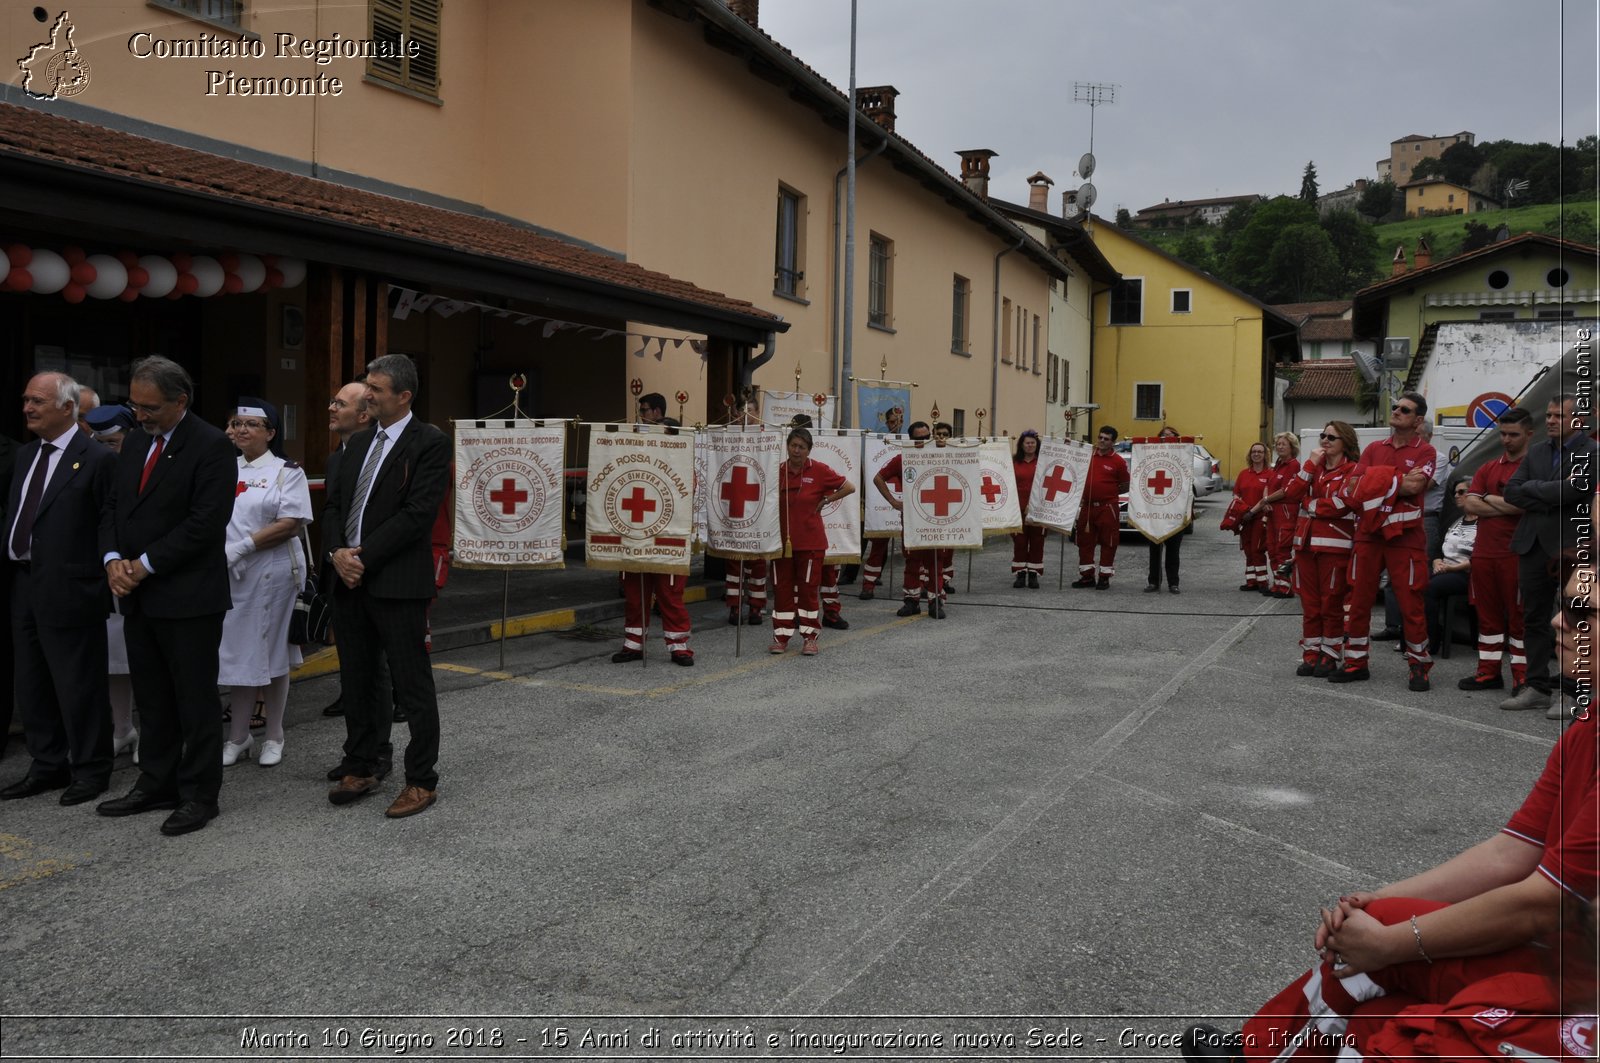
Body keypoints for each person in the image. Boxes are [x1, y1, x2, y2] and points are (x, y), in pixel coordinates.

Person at [1183, 551, 1598, 1063]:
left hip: (1582, 980)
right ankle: (1255, 1053)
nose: (1560, 619)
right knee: (1374, 936)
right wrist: (1373, 904)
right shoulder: (1587, 725)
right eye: (1564, 605)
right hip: (1572, 958)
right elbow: (1513, 851)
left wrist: (1394, 945)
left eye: (1585, 613)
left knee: (1400, 1034)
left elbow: (1544, 902)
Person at [96, 356, 236, 836]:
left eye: (151, 406)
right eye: (135, 405)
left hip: (189, 597)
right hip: (138, 594)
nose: (140, 415)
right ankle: (156, 782)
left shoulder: (213, 445)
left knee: (194, 700)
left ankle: (199, 794)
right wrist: (113, 558)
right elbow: (116, 505)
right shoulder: (135, 440)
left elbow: (205, 522)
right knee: (152, 698)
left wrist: (143, 565)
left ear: (182, 400)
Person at [322, 354, 450, 819]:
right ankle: (363, 762)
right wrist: (338, 552)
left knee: (410, 683)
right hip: (348, 581)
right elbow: (334, 506)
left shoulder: (429, 443)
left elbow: (417, 515)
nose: (366, 394)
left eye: (375, 388)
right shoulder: (356, 445)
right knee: (357, 679)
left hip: (395, 582)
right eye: (366, 387)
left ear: (404, 396)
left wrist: (363, 558)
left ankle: (421, 779)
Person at [1, 372, 117, 806]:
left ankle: (91, 768)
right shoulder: (26, 455)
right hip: (25, 584)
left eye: (38, 401)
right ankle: (48, 764)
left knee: (78, 683)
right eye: (26, 400)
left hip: (72, 587)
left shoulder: (96, 459)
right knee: (31, 682)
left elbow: (108, 524)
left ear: (67, 408)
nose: (28, 408)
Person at [216, 399, 313, 769]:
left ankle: (274, 734)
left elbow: (290, 523)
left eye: (252, 424)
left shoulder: (286, 472)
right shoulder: (224, 469)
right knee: (237, 654)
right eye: (237, 423)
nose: (241, 430)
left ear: (270, 433)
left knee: (271, 655)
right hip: (229, 574)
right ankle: (238, 736)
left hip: (271, 574)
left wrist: (240, 548)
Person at [1331, 392, 1438, 692]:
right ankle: (1355, 662)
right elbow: (1354, 487)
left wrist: (1377, 480)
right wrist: (1395, 479)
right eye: (1395, 407)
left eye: (1405, 409)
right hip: (1369, 534)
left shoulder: (1426, 451)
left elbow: (1417, 484)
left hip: (1406, 538)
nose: (1397, 411)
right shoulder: (1374, 448)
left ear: (1418, 420)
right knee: (1359, 599)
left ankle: (1419, 665)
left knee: (1411, 603)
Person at [1502, 393, 1598, 716]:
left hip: (1571, 546)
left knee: (1575, 621)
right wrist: (1549, 491)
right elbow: (1511, 491)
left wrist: (1535, 489)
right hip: (1533, 545)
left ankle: (1574, 693)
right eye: (1549, 416)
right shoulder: (1537, 451)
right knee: (1534, 618)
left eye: (1558, 416)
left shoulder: (1592, 452)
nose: (1552, 421)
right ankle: (1537, 687)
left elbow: (1578, 489)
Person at [1458, 407, 1534, 693]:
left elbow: (1526, 505)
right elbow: (1469, 503)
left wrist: (1487, 499)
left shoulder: (1533, 466)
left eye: (1513, 434)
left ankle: (1522, 676)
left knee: (1519, 617)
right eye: (1502, 434)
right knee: (1487, 616)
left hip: (1516, 554)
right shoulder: (1488, 467)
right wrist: (1503, 503)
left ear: (1529, 434)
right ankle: (1488, 672)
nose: (1506, 440)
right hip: (1483, 554)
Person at [319, 380, 380, 720]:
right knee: (346, 640)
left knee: (376, 647)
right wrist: (333, 553)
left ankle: (387, 697)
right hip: (338, 563)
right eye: (333, 401)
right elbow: (332, 511)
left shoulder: (376, 457)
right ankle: (350, 692)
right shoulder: (333, 460)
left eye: (339, 403)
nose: (331, 408)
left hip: (367, 564)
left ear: (362, 416)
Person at [83, 403, 140, 760]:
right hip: (106, 572)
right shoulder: (91, 465)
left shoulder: (142, 466)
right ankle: (122, 728)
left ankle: (152, 731)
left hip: (141, 572)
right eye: (101, 442)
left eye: (115, 441)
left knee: (145, 661)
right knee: (115, 661)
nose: (109, 450)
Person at [1283, 421, 1359, 678]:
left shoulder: (1354, 470)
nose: (1325, 441)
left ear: (1345, 442)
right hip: (1305, 545)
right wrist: (1309, 466)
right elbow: (1292, 494)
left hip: (1334, 547)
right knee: (1310, 604)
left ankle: (1330, 654)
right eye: (1323, 436)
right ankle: (1311, 653)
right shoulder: (1312, 468)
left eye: (1332, 437)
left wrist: (1311, 503)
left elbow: (1343, 503)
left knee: (1331, 604)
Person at [769, 427, 853, 655]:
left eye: (801, 447)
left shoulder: (820, 470)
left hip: (811, 543)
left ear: (809, 450)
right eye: (793, 445)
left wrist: (827, 499)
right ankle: (781, 637)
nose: (796, 451)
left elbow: (849, 487)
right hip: (781, 545)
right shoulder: (777, 471)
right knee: (782, 590)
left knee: (807, 591)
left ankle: (809, 638)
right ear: (787, 446)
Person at [873, 421, 952, 617]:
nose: (923, 441)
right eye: (919, 438)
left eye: (927, 438)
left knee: (936, 561)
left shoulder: (941, 457)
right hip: (911, 519)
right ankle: (911, 601)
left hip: (937, 517)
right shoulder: (902, 459)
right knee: (912, 561)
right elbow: (878, 478)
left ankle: (936, 602)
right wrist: (892, 500)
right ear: (911, 440)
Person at [1421, 485, 1476, 655]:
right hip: (1445, 568)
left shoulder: (1484, 523)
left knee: (1430, 588)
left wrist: (1452, 567)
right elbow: (1438, 549)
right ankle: (1411, 640)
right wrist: (1437, 562)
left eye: (1462, 492)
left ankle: (1431, 642)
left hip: (1466, 573)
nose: (1457, 496)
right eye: (1455, 493)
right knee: (1415, 582)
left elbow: (1479, 558)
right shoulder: (1456, 520)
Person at [1072, 425, 1128, 590]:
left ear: (1113, 442)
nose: (1102, 441)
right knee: (1085, 542)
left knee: (1108, 541)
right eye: (1100, 437)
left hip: (1107, 507)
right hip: (1088, 507)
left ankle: (1104, 577)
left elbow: (1125, 485)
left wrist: (1107, 493)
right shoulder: (1088, 456)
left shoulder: (1118, 461)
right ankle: (1087, 576)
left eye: (1106, 439)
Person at [1142, 425, 1191, 594]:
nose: (1166, 438)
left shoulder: (1184, 457)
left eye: (1170, 436)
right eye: (1163, 435)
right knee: (1154, 549)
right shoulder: (1151, 456)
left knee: (1173, 551)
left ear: (1176, 437)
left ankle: (1173, 583)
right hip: (1156, 510)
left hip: (1175, 511)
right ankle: (1154, 582)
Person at [1260, 431, 1301, 598]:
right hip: (1272, 511)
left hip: (1286, 511)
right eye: (1278, 444)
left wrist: (1266, 500)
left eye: (1283, 444)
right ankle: (1277, 584)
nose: (1280, 447)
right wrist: (1266, 501)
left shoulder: (1293, 465)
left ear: (1292, 446)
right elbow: (1270, 485)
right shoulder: (1277, 464)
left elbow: (1286, 490)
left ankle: (1286, 587)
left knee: (1282, 549)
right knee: (1271, 548)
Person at [1234, 442, 1272, 591]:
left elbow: (1267, 498)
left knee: (1257, 549)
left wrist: (1252, 511)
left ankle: (1263, 582)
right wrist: (1241, 508)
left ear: (1265, 455)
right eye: (1254, 452)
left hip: (1259, 518)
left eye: (1260, 452)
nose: (1256, 454)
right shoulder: (1244, 474)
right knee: (1248, 549)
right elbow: (1236, 493)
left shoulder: (1270, 474)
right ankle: (1251, 581)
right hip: (1245, 518)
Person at [1011, 430, 1045, 589]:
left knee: (1037, 542)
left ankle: (1033, 575)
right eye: (1027, 443)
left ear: (1037, 445)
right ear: (1022, 445)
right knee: (1020, 542)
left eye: (1033, 443)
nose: (1030, 445)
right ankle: (1020, 573)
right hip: (1018, 508)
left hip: (1039, 508)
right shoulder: (1014, 462)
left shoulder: (1044, 462)